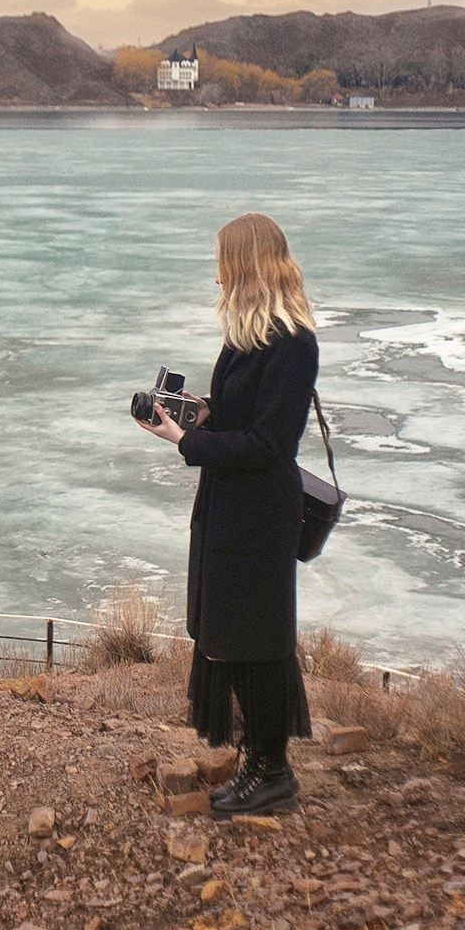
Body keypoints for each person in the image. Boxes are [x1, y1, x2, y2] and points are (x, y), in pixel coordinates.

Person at [136, 212, 318, 817]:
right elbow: (246, 418)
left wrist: (183, 443)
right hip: (227, 510)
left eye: (223, 262)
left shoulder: (294, 344)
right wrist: (201, 413)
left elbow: (271, 444)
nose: (216, 277)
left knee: (257, 645)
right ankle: (259, 763)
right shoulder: (249, 337)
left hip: (260, 517)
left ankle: (272, 773)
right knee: (228, 641)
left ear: (245, 265)